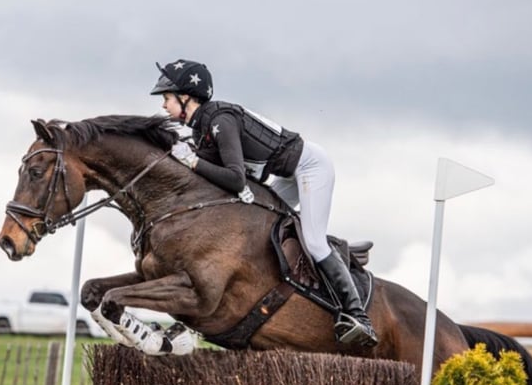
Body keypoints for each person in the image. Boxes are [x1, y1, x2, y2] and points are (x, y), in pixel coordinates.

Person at [150, 58, 378, 349]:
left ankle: (357, 315)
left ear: (186, 97)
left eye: (167, 98)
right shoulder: (202, 128)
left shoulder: (220, 121)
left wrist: (193, 162)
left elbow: (234, 178)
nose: (163, 106)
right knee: (263, 226)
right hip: (286, 174)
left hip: (309, 167)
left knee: (314, 241)